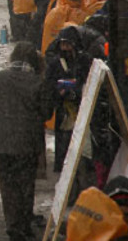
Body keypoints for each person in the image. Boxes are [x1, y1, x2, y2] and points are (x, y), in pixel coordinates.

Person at [0, 42, 54, 241]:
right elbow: (47, 113)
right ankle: (23, 226)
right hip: (27, 144)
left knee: (8, 186)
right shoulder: (37, 82)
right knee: (25, 185)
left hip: (3, 144)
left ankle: (12, 226)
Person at [46, 25, 93, 173]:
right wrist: (59, 92)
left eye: (68, 44)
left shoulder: (84, 60)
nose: (65, 48)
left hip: (81, 107)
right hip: (64, 109)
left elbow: (90, 81)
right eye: (62, 44)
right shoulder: (55, 63)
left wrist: (78, 90)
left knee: (82, 144)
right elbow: (48, 84)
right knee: (64, 142)